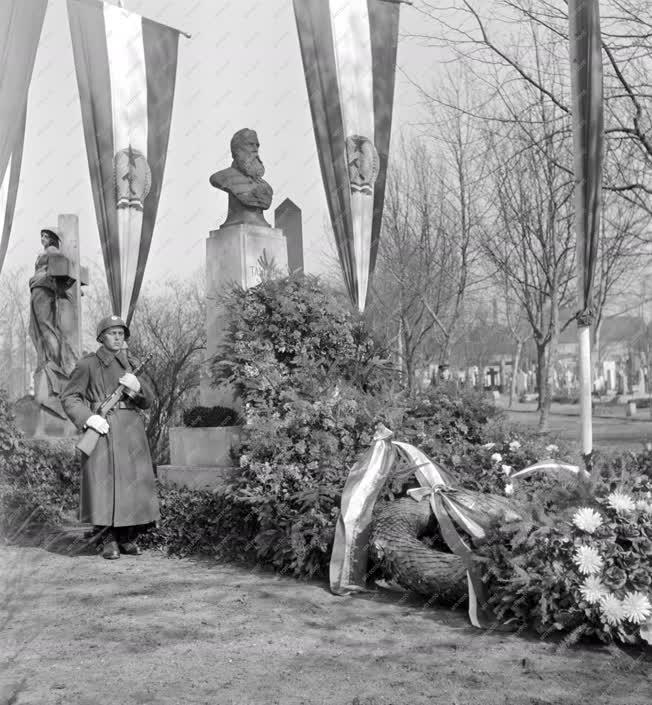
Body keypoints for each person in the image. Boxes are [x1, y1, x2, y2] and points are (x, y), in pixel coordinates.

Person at [61, 315, 159, 559]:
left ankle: (127, 537)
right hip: (102, 428)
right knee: (103, 485)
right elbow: (70, 397)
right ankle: (107, 538)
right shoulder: (88, 365)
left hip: (130, 430)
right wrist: (88, 418)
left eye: (121, 333)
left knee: (130, 485)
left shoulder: (132, 363)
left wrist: (138, 388)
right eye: (112, 333)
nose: (118, 337)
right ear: (101, 337)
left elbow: (148, 401)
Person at [28, 227, 77, 386]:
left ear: (52, 239)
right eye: (41, 235)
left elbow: (67, 269)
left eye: (45, 236)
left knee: (46, 327)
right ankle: (47, 360)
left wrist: (62, 287)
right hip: (37, 289)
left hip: (43, 289)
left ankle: (53, 362)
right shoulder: (44, 253)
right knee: (36, 328)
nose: (42, 238)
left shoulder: (52, 251)